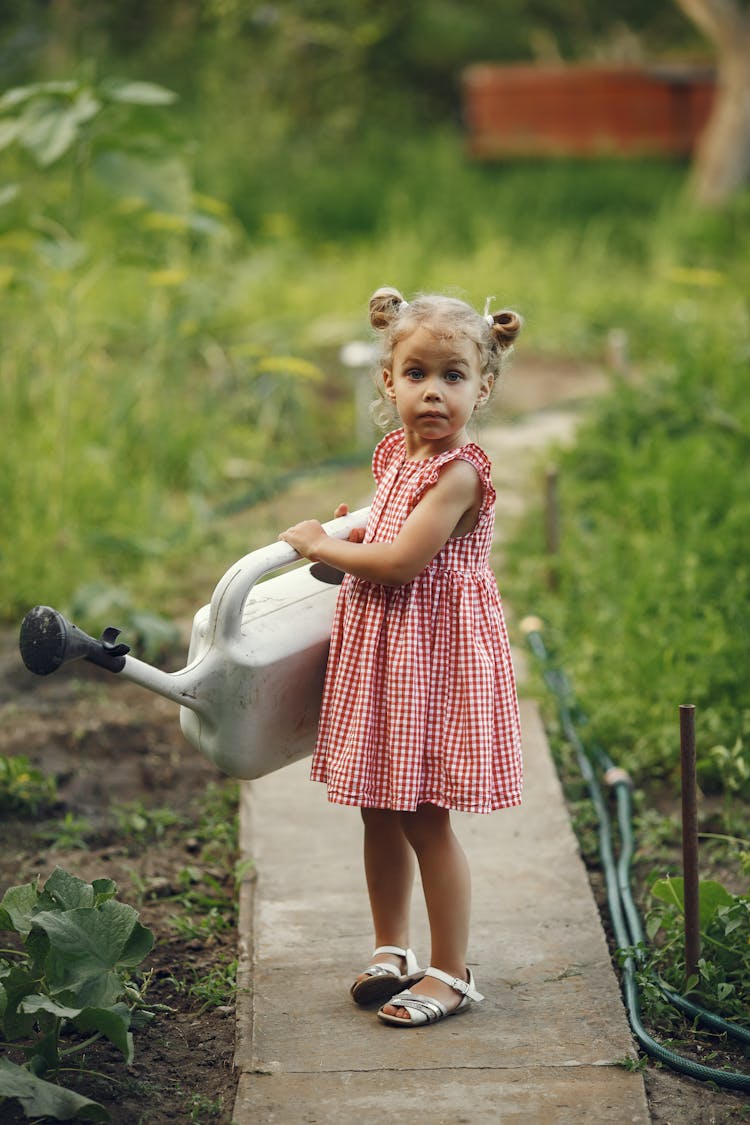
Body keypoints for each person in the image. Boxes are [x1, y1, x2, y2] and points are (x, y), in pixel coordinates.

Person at [279, 286, 523, 1027]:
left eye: (453, 376)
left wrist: (323, 544)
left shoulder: (460, 474)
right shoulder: (395, 455)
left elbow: (404, 563)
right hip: (387, 656)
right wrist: (349, 536)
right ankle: (393, 948)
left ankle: (451, 971)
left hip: (435, 660)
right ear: (388, 380)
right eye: (417, 373)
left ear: (483, 387)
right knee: (377, 809)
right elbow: (381, 528)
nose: (433, 392)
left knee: (423, 814)